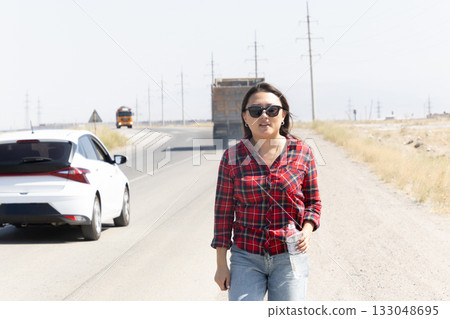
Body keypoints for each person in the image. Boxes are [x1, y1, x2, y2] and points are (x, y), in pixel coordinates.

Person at [211, 82, 322, 301]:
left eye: (272, 110)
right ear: (245, 117)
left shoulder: (302, 152)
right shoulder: (232, 158)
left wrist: (307, 230)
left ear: (283, 116)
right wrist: (221, 265)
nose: (264, 116)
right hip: (246, 258)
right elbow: (223, 214)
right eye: (255, 111)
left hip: (289, 257)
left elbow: (313, 203)